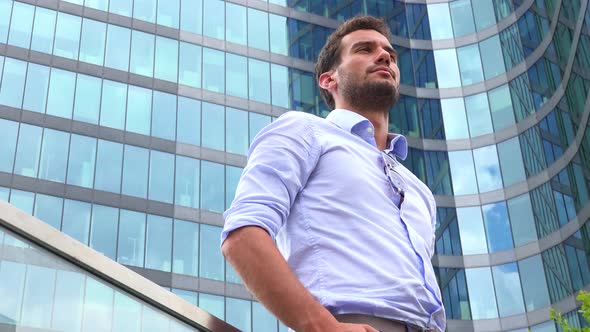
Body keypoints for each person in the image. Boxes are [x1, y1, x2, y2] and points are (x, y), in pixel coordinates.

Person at [221, 15, 445, 332]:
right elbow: (243, 234)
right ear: (329, 80)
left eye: (390, 54)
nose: (384, 56)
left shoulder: (419, 191)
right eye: (364, 49)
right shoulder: (305, 131)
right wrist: (324, 327)